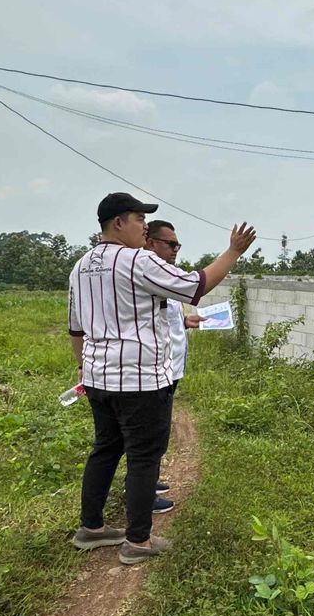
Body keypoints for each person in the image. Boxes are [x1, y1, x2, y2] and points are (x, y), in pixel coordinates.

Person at [68, 192, 255, 563]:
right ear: (118, 223)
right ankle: (138, 541)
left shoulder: (81, 267)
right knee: (143, 458)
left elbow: (76, 329)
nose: (144, 227)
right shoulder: (137, 261)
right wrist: (233, 251)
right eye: (139, 219)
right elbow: (197, 285)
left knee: (105, 449)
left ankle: (91, 528)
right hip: (140, 380)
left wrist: (83, 369)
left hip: (99, 378)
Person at [144, 219, 201, 505]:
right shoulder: (149, 275)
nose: (176, 249)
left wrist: (186, 321)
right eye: (171, 244)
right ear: (150, 242)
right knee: (152, 433)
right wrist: (233, 251)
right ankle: (143, 492)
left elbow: (167, 319)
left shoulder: (166, 277)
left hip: (171, 368)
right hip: (157, 370)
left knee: (159, 430)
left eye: (178, 244)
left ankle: (149, 481)